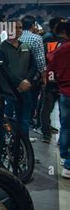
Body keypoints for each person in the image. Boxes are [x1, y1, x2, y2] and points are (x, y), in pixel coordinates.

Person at [0, 20, 38, 138]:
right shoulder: (0, 49)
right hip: (9, 91)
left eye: (20, 27)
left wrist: (28, 80)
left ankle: (23, 148)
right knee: (6, 120)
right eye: (15, 28)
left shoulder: (26, 47)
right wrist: (19, 83)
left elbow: (33, 66)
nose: (18, 30)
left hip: (25, 89)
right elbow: (3, 70)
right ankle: (6, 146)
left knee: (24, 120)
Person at [46, 22, 70, 179]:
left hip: (65, 92)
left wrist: (55, 83)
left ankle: (64, 158)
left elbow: (50, 72)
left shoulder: (60, 50)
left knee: (66, 126)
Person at [40, 17, 66, 142]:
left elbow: (43, 61)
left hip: (51, 81)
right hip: (63, 83)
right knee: (64, 112)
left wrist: (45, 77)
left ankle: (46, 133)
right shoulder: (64, 44)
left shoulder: (48, 43)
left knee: (46, 109)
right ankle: (63, 140)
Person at [19, 15, 46, 131]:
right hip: (31, 76)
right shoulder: (36, 38)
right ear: (33, 25)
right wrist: (44, 76)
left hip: (17, 74)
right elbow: (40, 60)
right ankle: (27, 125)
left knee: (18, 101)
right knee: (30, 102)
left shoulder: (17, 37)